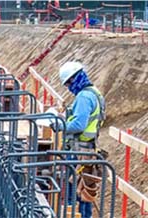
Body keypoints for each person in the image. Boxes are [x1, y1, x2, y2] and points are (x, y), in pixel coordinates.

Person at [58, 61, 106, 218]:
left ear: (75, 78)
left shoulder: (84, 97)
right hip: (87, 148)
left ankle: (74, 215)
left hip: (80, 149)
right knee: (84, 188)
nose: (69, 87)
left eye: (69, 83)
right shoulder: (94, 93)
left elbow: (79, 124)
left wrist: (60, 125)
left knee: (76, 188)